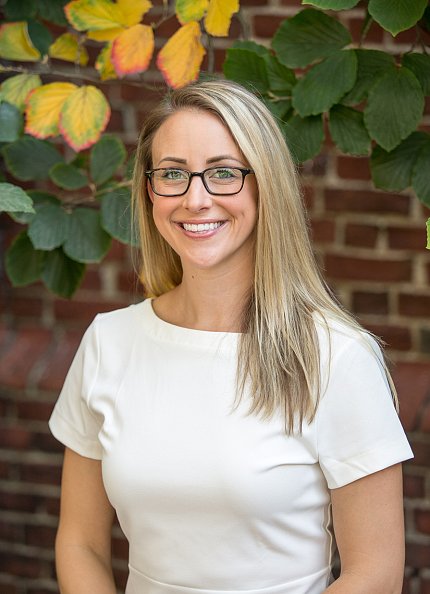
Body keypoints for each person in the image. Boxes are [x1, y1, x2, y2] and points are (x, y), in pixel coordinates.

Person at [49, 79, 413, 594]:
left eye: (223, 173)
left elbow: (374, 575)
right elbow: (80, 542)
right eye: (172, 174)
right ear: (150, 190)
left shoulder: (336, 357)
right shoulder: (109, 342)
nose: (196, 199)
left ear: (266, 184)